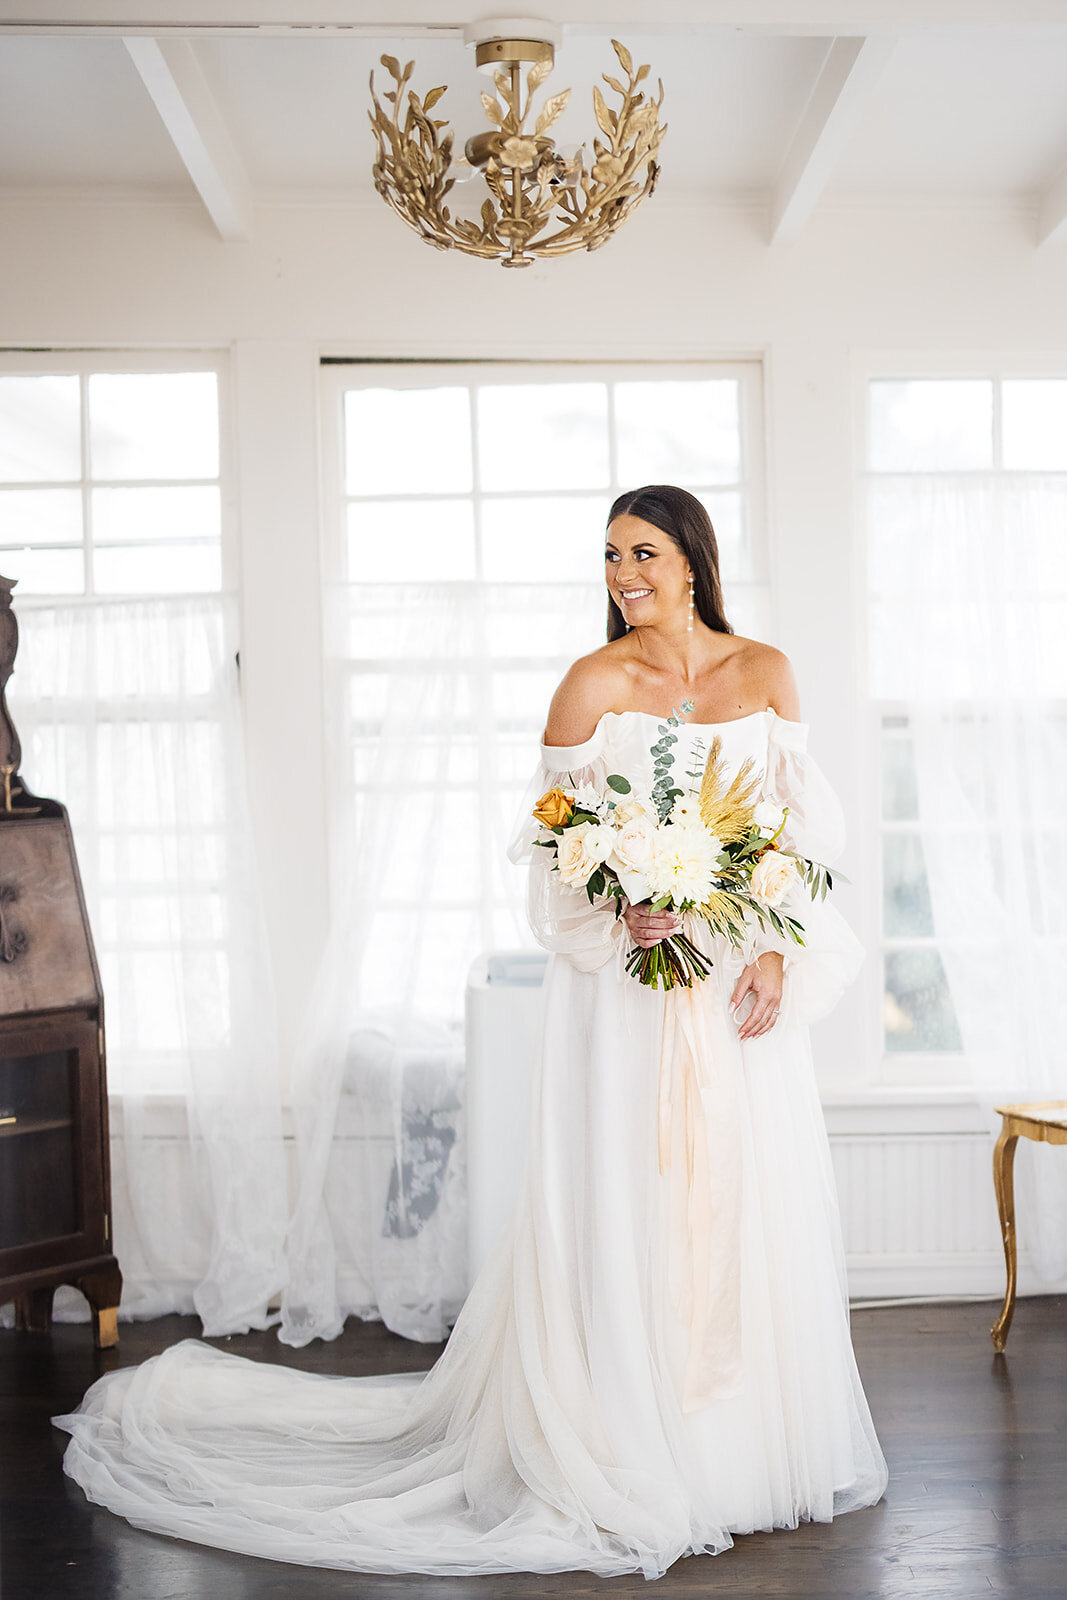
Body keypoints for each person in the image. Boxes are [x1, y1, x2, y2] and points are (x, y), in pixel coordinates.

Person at [55, 485, 887, 1579]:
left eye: (641, 551)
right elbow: (550, 849)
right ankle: (627, 1442)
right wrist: (616, 901)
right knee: (628, 1199)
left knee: (739, 1201)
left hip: (736, 997)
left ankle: (737, 1452)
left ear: (692, 557)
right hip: (625, 999)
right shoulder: (589, 683)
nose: (621, 573)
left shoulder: (764, 673)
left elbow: (798, 833)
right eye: (606, 556)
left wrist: (775, 947)